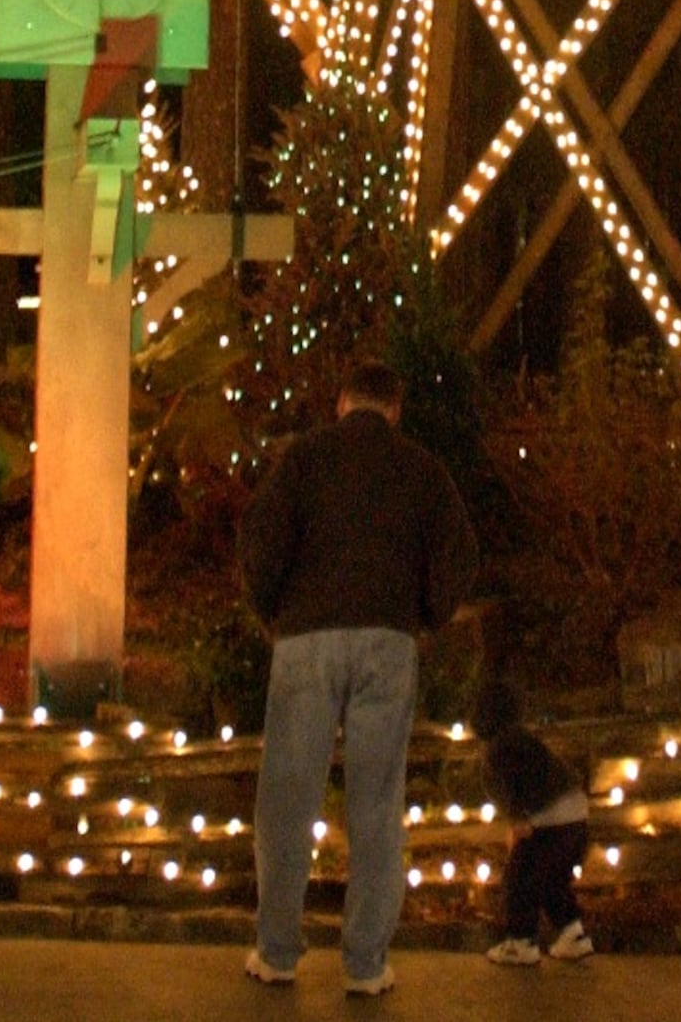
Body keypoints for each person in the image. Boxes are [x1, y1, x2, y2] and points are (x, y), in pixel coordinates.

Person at [238, 357, 480, 998]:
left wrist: (272, 610)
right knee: (376, 804)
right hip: (388, 638)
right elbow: (459, 552)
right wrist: (426, 615)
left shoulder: (304, 459)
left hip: (307, 637)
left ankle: (277, 950)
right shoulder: (422, 469)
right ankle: (366, 963)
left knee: (288, 798)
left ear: (341, 403)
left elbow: (262, 539)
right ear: (395, 410)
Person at [476, 681, 593, 967]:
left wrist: (518, 817)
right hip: (575, 812)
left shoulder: (500, 747)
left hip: (547, 818)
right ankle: (572, 933)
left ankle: (521, 941)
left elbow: (513, 782)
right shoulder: (524, 739)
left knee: (520, 879)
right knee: (553, 880)